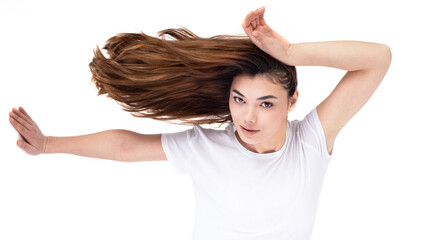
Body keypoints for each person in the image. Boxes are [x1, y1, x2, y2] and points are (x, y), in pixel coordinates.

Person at [8, 6, 391, 240]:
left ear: (292, 101)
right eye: (239, 99)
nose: (248, 116)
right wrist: (47, 145)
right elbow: (125, 147)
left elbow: (378, 58)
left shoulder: (310, 141)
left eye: (266, 103)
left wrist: (291, 52)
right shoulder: (205, 147)